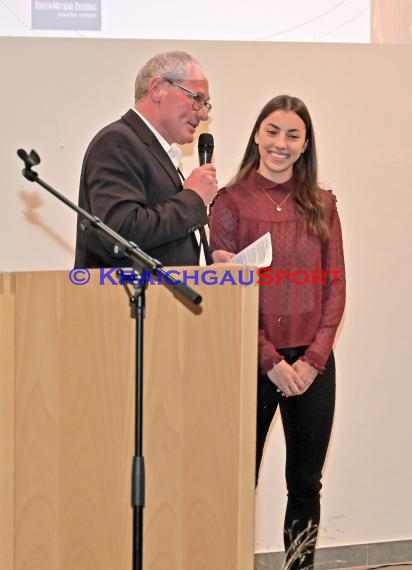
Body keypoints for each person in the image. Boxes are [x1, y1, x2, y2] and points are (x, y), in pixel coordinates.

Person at [209, 95, 345, 570]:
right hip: (252, 361)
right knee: (236, 480)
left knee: (306, 483)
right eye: (272, 131)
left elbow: (336, 285)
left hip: (313, 366)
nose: (280, 144)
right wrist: (270, 361)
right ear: (256, 135)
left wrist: (312, 360)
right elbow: (228, 293)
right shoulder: (228, 203)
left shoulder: (322, 204)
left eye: (292, 135)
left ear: (305, 145)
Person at [75, 50, 217, 268]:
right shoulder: (117, 141)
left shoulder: (154, 150)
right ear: (157, 89)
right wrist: (193, 198)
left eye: (206, 104)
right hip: (123, 298)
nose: (203, 114)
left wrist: (208, 259)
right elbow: (120, 233)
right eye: (197, 98)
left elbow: (162, 242)